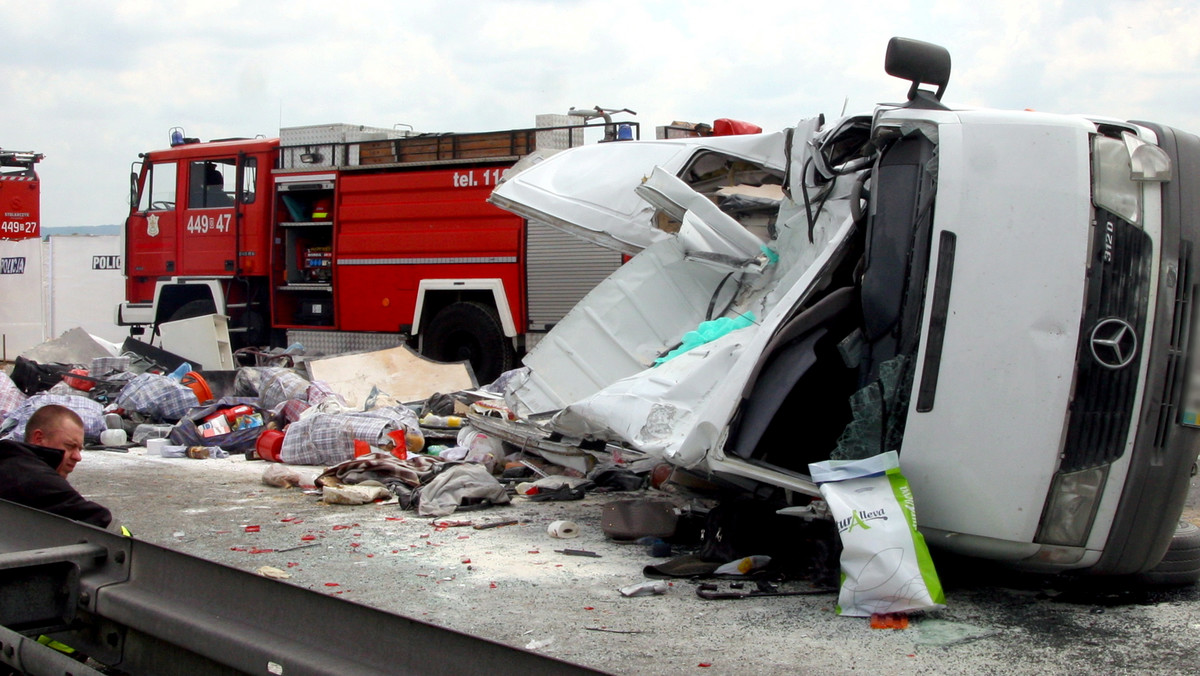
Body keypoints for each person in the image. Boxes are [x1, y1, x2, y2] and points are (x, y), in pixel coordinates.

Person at [0, 404, 114, 529]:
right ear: (38, 438)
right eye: (70, 446)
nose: (78, 457)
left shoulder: (10, 461)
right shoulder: (37, 478)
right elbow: (100, 520)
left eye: (79, 449)